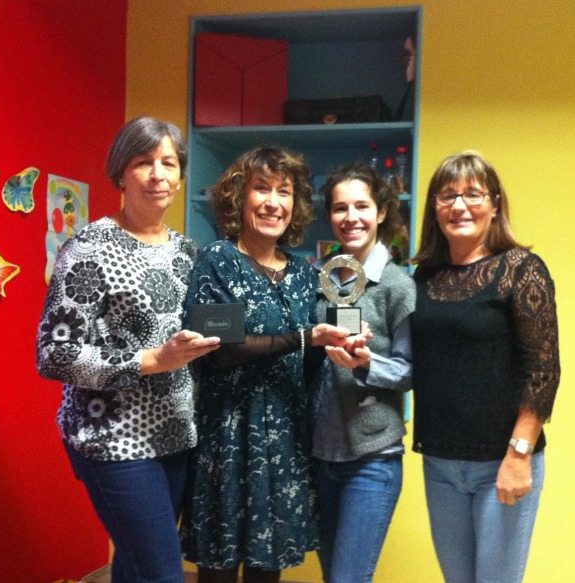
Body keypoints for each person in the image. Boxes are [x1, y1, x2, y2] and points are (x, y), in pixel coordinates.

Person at [36, 117, 220, 583]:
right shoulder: (89, 248)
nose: (158, 175)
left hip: (176, 435)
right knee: (163, 574)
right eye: (143, 162)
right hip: (112, 440)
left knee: (135, 569)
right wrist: (151, 360)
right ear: (121, 173)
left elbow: (200, 330)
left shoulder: (187, 252)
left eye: (169, 163)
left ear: (180, 175)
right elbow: (53, 353)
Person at [181, 145, 358, 583]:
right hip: (227, 438)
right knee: (218, 571)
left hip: (284, 444)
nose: (272, 202)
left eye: (284, 191)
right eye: (261, 188)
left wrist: (343, 344)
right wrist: (305, 338)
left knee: (267, 571)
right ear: (239, 197)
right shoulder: (217, 261)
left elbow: (308, 361)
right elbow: (223, 349)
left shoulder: (303, 275)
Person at [409, 151, 561, 583]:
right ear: (434, 208)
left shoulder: (521, 270)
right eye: (447, 196)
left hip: (502, 462)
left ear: (494, 205)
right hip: (440, 463)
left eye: (473, 194)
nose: (459, 206)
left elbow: (543, 370)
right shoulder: (424, 278)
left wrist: (519, 455)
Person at [310, 163, 415, 583]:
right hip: (319, 455)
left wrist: (366, 362)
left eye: (362, 206)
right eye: (340, 208)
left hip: (372, 458)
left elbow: (409, 372)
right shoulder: (319, 279)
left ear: (381, 212)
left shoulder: (397, 286)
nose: (350, 217)